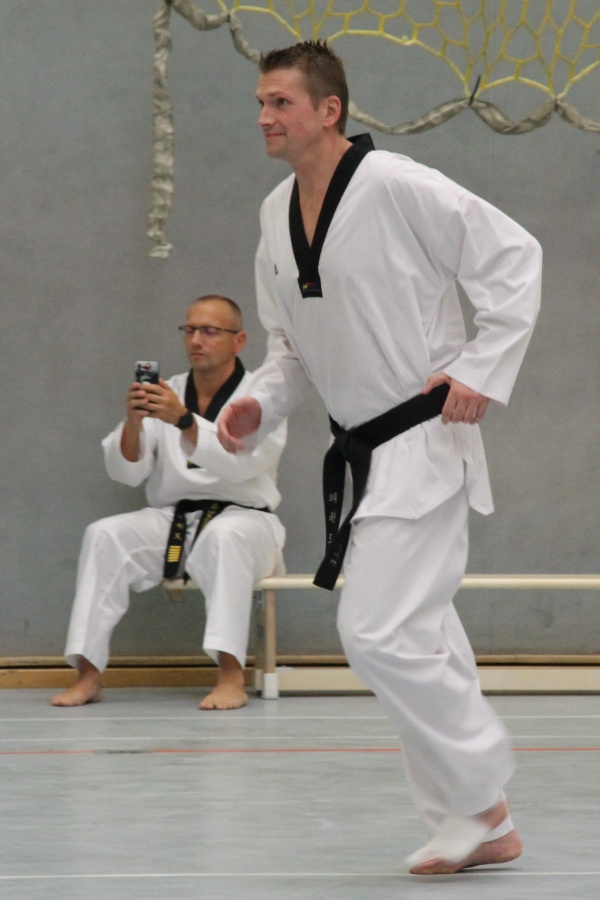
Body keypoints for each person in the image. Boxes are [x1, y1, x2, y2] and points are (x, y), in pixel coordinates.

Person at [217, 42, 542, 874]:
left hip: (423, 440)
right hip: (365, 452)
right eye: (260, 103)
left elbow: (514, 256)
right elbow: (292, 347)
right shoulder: (274, 215)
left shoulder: (397, 184)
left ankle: (483, 794)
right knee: (423, 637)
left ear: (329, 110)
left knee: (375, 632)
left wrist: (480, 368)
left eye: (281, 102)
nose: (264, 117)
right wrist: (259, 402)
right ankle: (480, 826)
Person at [52, 294, 286, 712]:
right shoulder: (169, 392)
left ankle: (231, 675)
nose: (196, 340)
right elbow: (128, 471)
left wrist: (183, 420)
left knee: (226, 537)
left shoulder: (260, 398)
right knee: (104, 535)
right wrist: (135, 422)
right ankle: (88, 675)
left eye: (210, 331)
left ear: (239, 341)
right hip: (174, 519)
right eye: (189, 330)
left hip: (246, 521)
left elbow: (243, 465)